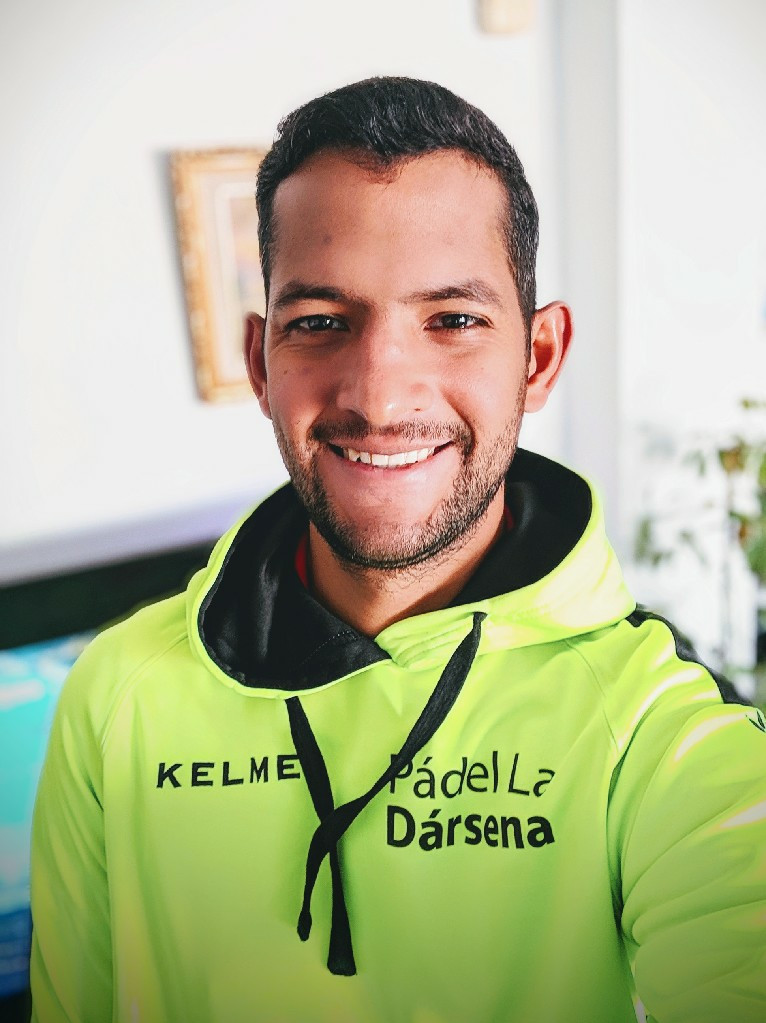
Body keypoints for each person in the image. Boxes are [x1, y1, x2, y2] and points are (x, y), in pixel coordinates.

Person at [30, 77, 765, 1023]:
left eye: (452, 320)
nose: (378, 396)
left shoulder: (660, 727)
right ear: (261, 363)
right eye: (320, 322)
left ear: (539, 358)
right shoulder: (115, 691)